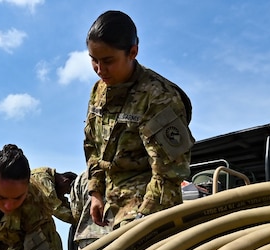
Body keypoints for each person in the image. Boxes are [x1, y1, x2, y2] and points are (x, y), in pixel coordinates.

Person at [83, 10, 194, 231]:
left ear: (132, 52)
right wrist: (95, 192)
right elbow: (92, 146)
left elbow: (169, 173)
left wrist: (144, 218)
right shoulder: (99, 90)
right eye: (93, 60)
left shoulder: (159, 96)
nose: (99, 69)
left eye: (108, 61)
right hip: (109, 199)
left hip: (146, 198)